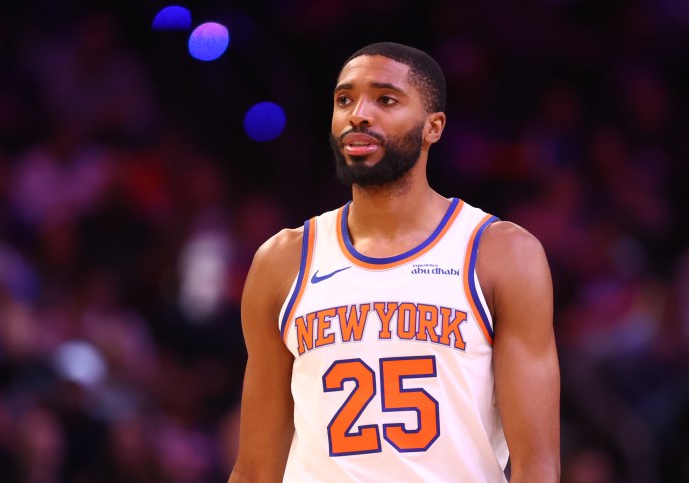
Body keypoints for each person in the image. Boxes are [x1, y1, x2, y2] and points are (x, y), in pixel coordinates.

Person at [229, 42, 559, 482]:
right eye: (344, 99)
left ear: (433, 127)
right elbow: (254, 469)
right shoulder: (282, 260)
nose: (359, 114)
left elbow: (537, 466)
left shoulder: (501, 253)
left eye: (385, 99)